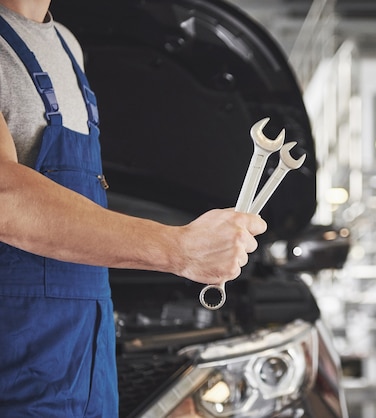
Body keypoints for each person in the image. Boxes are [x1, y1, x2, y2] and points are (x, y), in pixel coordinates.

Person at [0, 0, 267, 416]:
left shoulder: (67, 46)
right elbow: (6, 198)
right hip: (13, 367)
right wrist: (179, 248)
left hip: (83, 365)